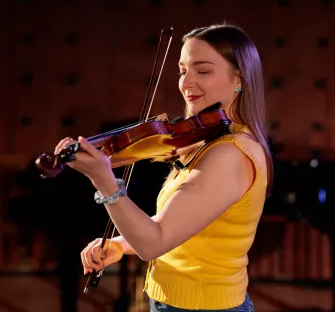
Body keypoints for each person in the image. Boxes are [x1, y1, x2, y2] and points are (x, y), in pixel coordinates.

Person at [54, 23, 273, 311]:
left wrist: (104, 180)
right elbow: (176, 230)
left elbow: (154, 244)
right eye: (183, 70)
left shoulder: (230, 153)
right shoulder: (208, 141)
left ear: (239, 79)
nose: (186, 82)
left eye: (202, 71)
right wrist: (120, 244)